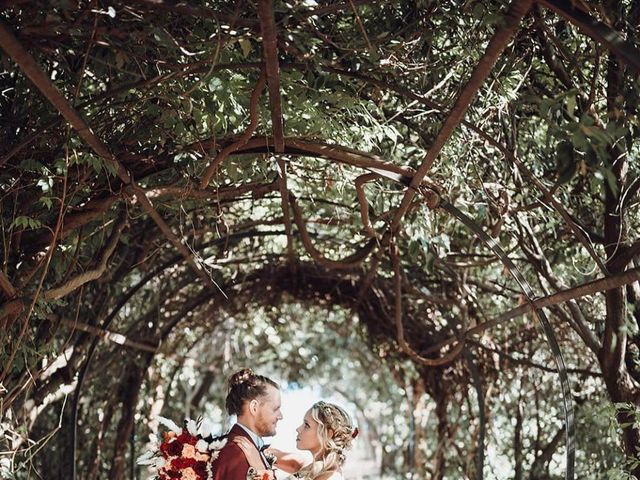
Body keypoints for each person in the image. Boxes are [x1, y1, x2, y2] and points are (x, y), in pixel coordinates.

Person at [234, 401, 357, 480]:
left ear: (328, 434)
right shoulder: (310, 468)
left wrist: (260, 469)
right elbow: (291, 461)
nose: (298, 429)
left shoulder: (330, 477)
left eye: (306, 425)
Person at [211, 368, 283, 480]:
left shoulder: (247, 451)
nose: (280, 416)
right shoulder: (234, 453)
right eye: (275, 409)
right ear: (254, 408)